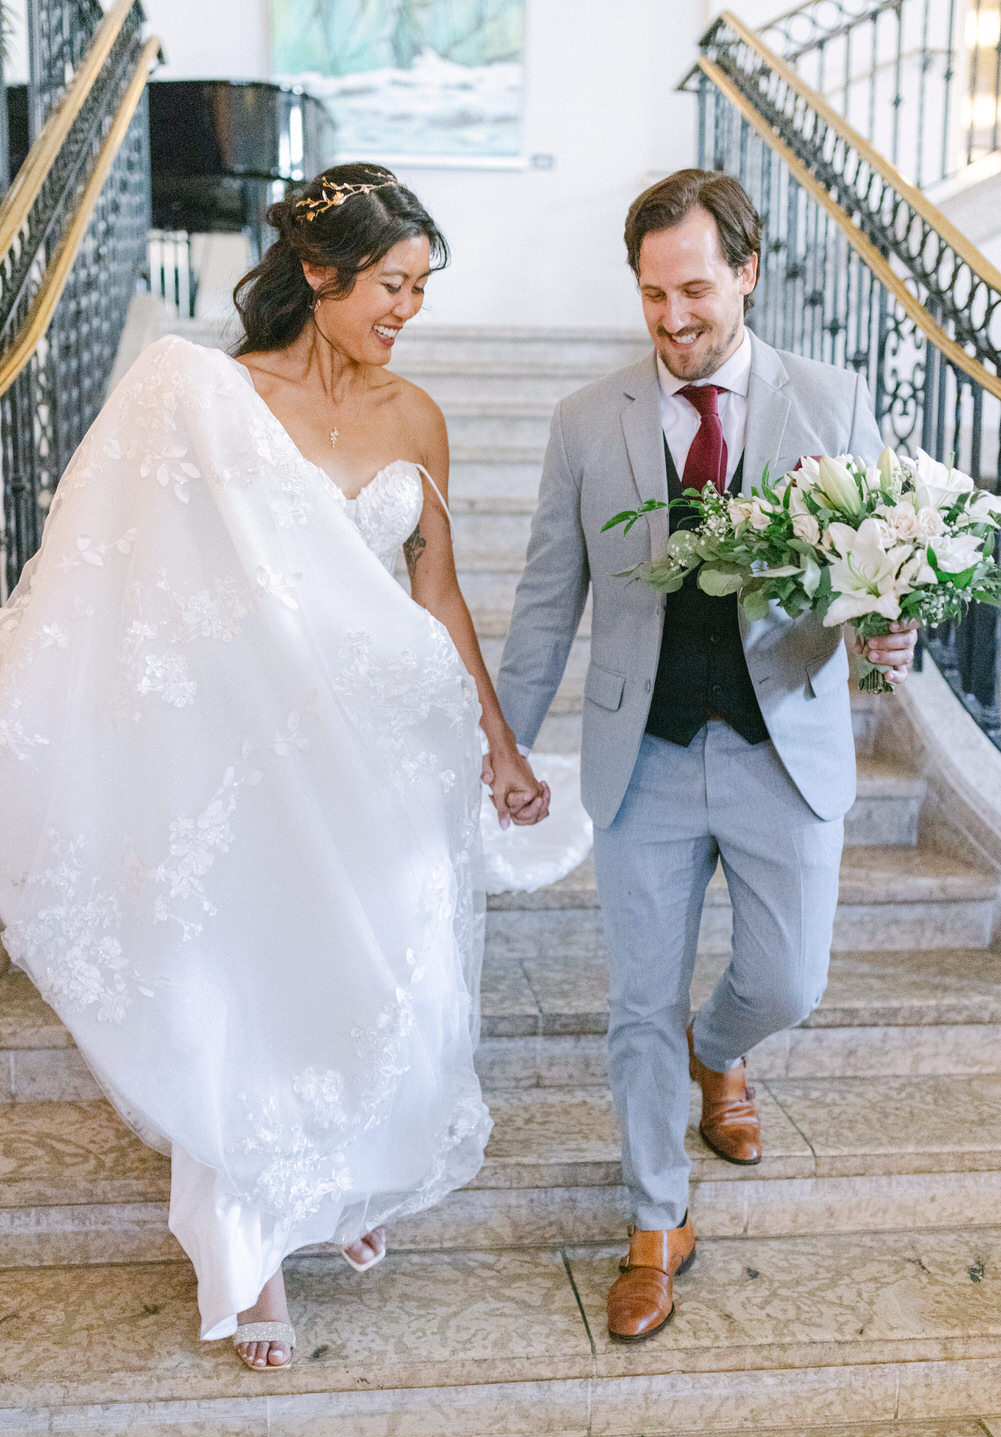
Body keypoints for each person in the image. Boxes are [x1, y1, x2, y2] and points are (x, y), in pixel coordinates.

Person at [0, 162, 560, 1371]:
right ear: (318, 274)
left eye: (420, 288)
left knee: (383, 979)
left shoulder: (417, 418)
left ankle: (344, 1187)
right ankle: (246, 1255)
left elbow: (438, 593)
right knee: (252, 986)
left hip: (394, 761)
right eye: (390, 286)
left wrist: (495, 745)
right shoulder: (207, 402)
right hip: (264, 762)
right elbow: (150, 597)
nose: (406, 311)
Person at [496, 169, 917, 1343]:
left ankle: (719, 1051)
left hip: (782, 746)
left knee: (788, 981)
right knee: (634, 1003)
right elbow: (544, 604)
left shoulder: (829, 401)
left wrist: (892, 621)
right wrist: (507, 744)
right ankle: (652, 1220)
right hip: (641, 760)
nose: (673, 321)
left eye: (693, 292)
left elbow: (874, 572)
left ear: (743, 270)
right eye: (649, 298)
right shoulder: (588, 421)